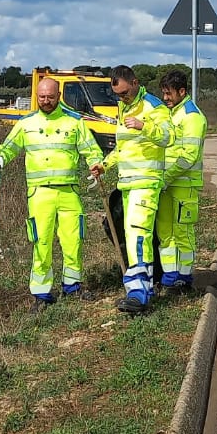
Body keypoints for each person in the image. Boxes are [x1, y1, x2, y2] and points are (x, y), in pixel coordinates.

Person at [0, 77, 105, 312]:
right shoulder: (26, 123)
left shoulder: (74, 122)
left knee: (73, 240)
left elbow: (90, 149)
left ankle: (72, 286)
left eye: (50, 97)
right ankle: (42, 293)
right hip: (39, 194)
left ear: (59, 95)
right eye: (41, 97)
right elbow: (9, 146)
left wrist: (96, 166)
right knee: (41, 242)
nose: (45, 101)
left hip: (68, 192)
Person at [89, 66, 173, 313]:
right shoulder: (124, 108)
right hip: (127, 184)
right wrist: (104, 165)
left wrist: (143, 126)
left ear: (135, 82)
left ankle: (138, 293)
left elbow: (168, 137)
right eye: (118, 95)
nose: (122, 98)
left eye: (125, 92)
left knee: (137, 234)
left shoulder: (153, 106)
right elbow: (123, 148)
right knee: (134, 236)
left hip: (147, 183)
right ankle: (143, 288)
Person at [156, 69, 206, 293]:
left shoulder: (192, 116)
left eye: (169, 94)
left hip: (184, 185)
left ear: (182, 91)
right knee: (165, 231)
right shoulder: (171, 112)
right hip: (166, 184)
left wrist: (166, 177)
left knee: (183, 233)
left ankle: (185, 278)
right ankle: (169, 275)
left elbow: (189, 156)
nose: (165, 98)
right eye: (163, 93)